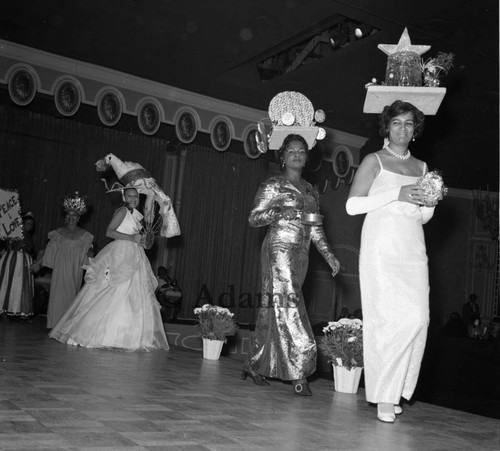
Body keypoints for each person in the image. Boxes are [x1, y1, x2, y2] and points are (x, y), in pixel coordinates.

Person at [346, 100, 442, 423]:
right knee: (387, 321)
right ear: (387, 127)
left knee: (419, 319)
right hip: (381, 250)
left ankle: (396, 387)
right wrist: (396, 195)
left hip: (413, 250)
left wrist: (430, 202)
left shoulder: (422, 167)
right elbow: (352, 207)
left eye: (409, 124)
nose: (403, 129)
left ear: (416, 131)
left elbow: (424, 217)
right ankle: (384, 398)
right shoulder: (374, 161)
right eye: (397, 123)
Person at [242, 134, 340, 396]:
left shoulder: (310, 190)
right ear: (283, 157)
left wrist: (329, 254)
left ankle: (255, 364)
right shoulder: (273, 184)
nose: (297, 154)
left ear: (307, 157)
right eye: (291, 151)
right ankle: (299, 369)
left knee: (275, 308)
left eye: (301, 151)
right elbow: (254, 218)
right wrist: (277, 212)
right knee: (292, 304)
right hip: (278, 249)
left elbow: (315, 227)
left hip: (302, 253)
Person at [49, 187, 169, 351]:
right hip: (120, 252)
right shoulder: (122, 211)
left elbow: (136, 236)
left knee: (133, 293)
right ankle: (97, 333)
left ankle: (126, 337)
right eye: (129, 196)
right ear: (124, 197)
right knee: (115, 289)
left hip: (135, 253)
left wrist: (143, 240)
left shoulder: (137, 215)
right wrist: (131, 238)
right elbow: (109, 232)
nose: (133, 198)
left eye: (135, 196)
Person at [41, 192, 94, 329]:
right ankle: (54, 324)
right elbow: (49, 253)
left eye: (74, 215)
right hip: (59, 270)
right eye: (68, 215)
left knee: (72, 295)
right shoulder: (57, 233)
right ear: (65, 217)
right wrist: (38, 264)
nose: (71, 218)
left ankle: (67, 326)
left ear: (78, 218)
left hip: (74, 271)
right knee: (57, 296)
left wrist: (90, 253)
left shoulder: (85, 236)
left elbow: (88, 258)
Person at [0, 212, 36, 319]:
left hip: (24, 261)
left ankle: (20, 310)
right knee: (10, 283)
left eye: (31, 224)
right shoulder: (15, 234)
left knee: (21, 285)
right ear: (22, 223)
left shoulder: (28, 236)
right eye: (28, 223)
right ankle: (5, 309)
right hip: (14, 261)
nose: (29, 226)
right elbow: (8, 244)